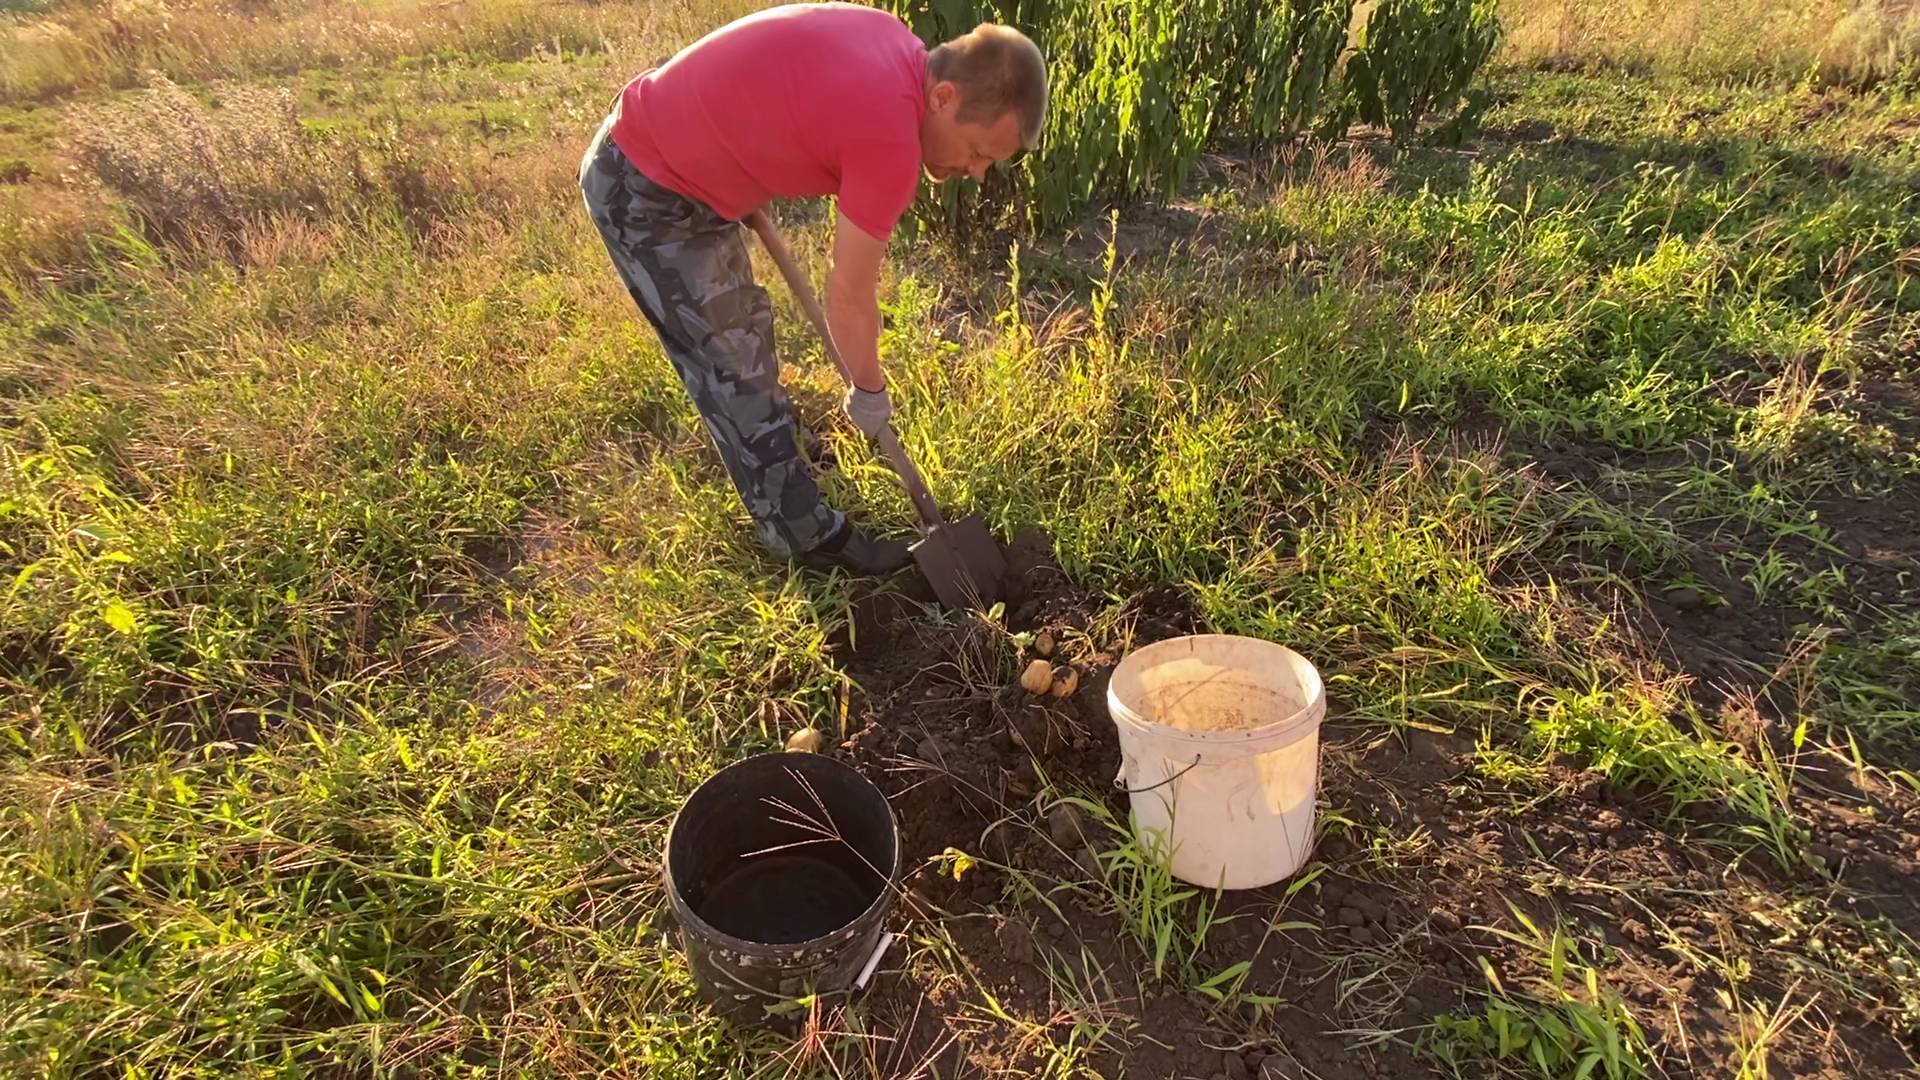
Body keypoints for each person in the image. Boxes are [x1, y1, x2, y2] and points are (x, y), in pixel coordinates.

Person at [579, 4, 1047, 575]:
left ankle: (784, 454)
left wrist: (739, 155)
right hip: (646, 186)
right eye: (977, 152)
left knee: (746, 329)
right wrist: (871, 392)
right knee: (732, 366)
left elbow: (784, 77)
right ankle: (804, 536)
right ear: (945, 98)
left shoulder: (895, 44)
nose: (975, 172)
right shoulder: (891, 138)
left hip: (673, 147)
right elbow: (848, 295)